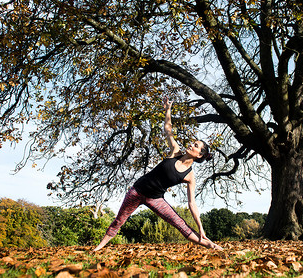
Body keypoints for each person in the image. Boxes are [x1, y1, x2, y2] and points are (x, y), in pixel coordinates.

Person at [92, 97, 223, 251]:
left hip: (155, 199)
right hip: (137, 191)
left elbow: (191, 204)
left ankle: (210, 245)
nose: (191, 144)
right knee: (119, 220)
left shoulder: (189, 176)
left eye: (195, 145)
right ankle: (98, 248)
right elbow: (168, 129)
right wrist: (167, 109)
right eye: (193, 142)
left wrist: (200, 227)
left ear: (199, 155)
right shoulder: (175, 152)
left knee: (179, 223)